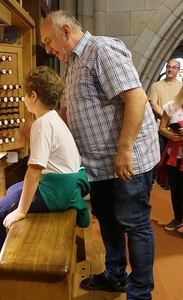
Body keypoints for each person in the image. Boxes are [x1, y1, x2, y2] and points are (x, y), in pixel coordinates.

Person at [40, 10, 160, 300]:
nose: (47, 49)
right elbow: (75, 110)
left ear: (66, 30)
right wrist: (40, 124)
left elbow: (137, 98)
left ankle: (141, 292)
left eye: (48, 41)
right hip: (99, 165)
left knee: (135, 223)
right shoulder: (73, 64)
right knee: (107, 218)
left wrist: (125, 149)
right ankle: (115, 275)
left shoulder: (101, 49)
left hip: (127, 160)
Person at [0, 65, 91, 300]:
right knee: (13, 188)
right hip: (64, 185)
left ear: (33, 96)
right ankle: (10, 245)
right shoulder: (51, 118)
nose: (23, 99)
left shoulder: (43, 124)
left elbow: (34, 171)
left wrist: (20, 211)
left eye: (25, 94)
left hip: (56, 192)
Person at [148, 59, 182, 187]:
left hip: (176, 127)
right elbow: (153, 103)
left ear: (178, 71)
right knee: (157, 154)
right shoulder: (156, 86)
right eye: (168, 67)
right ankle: (151, 180)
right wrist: (167, 117)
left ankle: (167, 181)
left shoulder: (181, 87)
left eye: (174, 67)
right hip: (160, 127)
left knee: (172, 156)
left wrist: (173, 120)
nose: (170, 69)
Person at [158, 85, 183, 231]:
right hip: (174, 155)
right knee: (176, 189)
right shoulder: (172, 106)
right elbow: (162, 127)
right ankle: (178, 217)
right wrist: (171, 135)